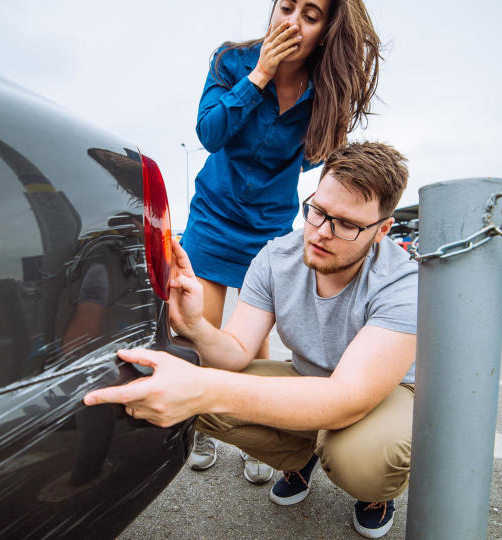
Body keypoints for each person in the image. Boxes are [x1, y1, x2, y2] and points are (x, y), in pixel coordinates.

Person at [85, 141, 416, 538]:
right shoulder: (277, 256)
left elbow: (348, 398)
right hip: (310, 378)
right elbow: (236, 354)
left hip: (382, 393)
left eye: (346, 224)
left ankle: (374, 493)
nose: (321, 233)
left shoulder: (402, 281)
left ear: (381, 230)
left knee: (362, 460)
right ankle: (300, 457)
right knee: (200, 394)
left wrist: (204, 388)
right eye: (318, 211)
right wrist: (195, 326)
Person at [181, 0, 382, 480]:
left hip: (269, 225)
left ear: (324, 32)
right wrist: (261, 75)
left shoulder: (325, 92)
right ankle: (203, 428)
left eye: (309, 16)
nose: (291, 21)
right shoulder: (231, 60)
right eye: (286, 7)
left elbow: (316, 156)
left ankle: (261, 430)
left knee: (254, 341)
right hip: (214, 214)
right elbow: (210, 133)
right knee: (204, 333)